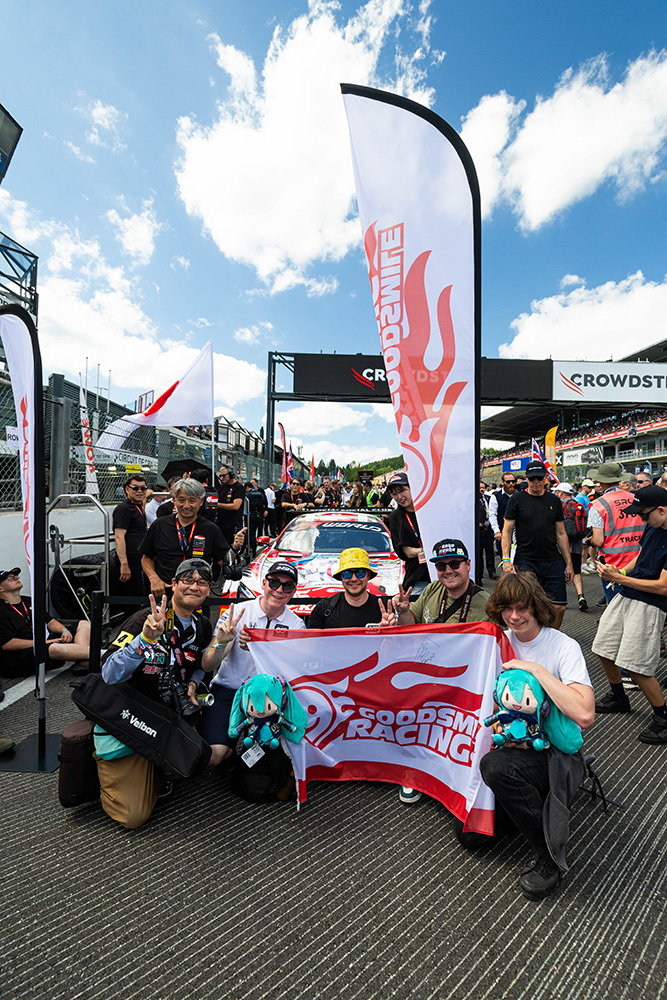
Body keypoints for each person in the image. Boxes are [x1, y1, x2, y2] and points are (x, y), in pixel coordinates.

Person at [481, 572, 595, 900]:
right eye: (507, 608)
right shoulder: (496, 642)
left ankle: (548, 855)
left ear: (536, 606)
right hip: (513, 744)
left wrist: (536, 670)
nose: (514, 616)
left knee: (496, 768)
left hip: (555, 752)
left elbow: (585, 713)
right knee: (470, 837)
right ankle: (520, 812)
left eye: (522, 608)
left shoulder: (562, 646)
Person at [95, 559, 215, 829]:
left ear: (209, 589)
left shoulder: (202, 625)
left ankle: (157, 770)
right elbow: (109, 673)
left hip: (168, 716)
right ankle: (108, 770)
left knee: (201, 757)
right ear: (173, 584)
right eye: (187, 580)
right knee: (133, 816)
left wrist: (193, 683)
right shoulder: (145, 619)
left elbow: (199, 666)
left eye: (202, 582)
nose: (194, 586)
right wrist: (145, 639)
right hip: (132, 718)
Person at [392, 537, 490, 806]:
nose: (448, 570)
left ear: (468, 564)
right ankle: (416, 771)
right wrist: (403, 611)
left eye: (454, 564)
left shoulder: (486, 603)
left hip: (466, 682)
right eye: (441, 566)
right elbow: (410, 625)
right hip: (428, 677)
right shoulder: (432, 590)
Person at [198, 561, 305, 766]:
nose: (279, 590)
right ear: (264, 583)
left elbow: (294, 671)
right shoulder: (238, 612)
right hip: (231, 690)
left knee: (266, 763)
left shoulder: (296, 625)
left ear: (293, 592)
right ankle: (229, 753)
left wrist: (264, 648)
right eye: (274, 582)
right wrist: (222, 642)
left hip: (270, 700)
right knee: (214, 755)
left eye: (287, 586)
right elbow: (207, 665)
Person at [592, 485, 667, 744]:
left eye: (644, 515)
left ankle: (663, 717)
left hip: (651, 602)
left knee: (636, 665)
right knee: (603, 646)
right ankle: (618, 696)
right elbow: (641, 555)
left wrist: (621, 579)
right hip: (629, 591)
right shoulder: (653, 526)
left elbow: (663, 587)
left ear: (661, 510)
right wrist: (621, 572)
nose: (641, 519)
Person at [140, 478, 244, 600]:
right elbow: (146, 558)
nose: (186, 505)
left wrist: (235, 547)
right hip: (165, 593)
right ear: (174, 500)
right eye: (181, 500)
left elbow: (223, 561)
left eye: (192, 500)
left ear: (201, 501)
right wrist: (154, 579)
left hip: (197, 594)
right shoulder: (160, 525)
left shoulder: (210, 528)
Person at [501, 460, 573, 630]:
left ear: (546, 478)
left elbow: (561, 533)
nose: (536, 482)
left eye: (539, 478)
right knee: (527, 606)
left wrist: (569, 563)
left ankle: (550, 638)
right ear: (526, 478)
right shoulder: (517, 499)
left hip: (552, 559)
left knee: (559, 607)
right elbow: (507, 531)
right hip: (526, 560)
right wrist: (505, 559)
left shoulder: (554, 500)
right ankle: (532, 637)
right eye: (532, 478)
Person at [0, 568, 90, 678]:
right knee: (54, 647)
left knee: (83, 624)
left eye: (15, 576)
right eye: (10, 578)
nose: (16, 578)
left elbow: (50, 621)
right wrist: (42, 643)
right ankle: (102, 654)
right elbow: (8, 644)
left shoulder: (29, 601)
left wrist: (64, 630)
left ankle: (83, 658)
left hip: (44, 642)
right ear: (0, 588)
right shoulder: (2, 610)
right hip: (20, 656)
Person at [586, 461, 645, 605]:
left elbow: (598, 540)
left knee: (616, 609)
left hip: (613, 566)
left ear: (601, 482)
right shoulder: (636, 499)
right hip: (640, 561)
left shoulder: (599, 504)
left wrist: (589, 541)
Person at [307, 548, 395, 629]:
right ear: (341, 577)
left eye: (360, 573)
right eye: (347, 574)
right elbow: (310, 639)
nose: (354, 579)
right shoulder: (323, 608)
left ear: (368, 575)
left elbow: (400, 637)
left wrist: (387, 631)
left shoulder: (385, 607)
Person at [387, 472, 430, 596]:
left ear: (412, 487)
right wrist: (430, 550)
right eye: (395, 494)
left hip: (442, 574)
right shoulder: (396, 517)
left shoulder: (428, 509)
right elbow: (407, 552)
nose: (399, 497)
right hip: (418, 579)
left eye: (402, 491)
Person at [111, 474, 148, 613]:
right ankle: (131, 624)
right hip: (130, 560)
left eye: (143, 488)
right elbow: (119, 537)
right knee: (132, 598)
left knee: (139, 593)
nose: (140, 491)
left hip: (139, 558)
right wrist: (124, 564)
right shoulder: (124, 509)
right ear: (127, 489)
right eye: (135, 488)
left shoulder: (138, 506)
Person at [553, 483, 588, 612]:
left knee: (561, 570)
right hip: (577, 543)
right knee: (576, 570)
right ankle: (580, 595)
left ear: (561, 493)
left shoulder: (558, 506)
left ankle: (562, 599)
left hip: (561, 544)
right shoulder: (578, 505)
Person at [488, 473, 516, 565]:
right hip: (503, 533)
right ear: (503, 482)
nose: (511, 484)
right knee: (506, 561)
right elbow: (492, 515)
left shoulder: (519, 496)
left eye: (513, 481)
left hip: (518, 534)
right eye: (508, 482)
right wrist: (496, 531)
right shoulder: (496, 496)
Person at [216, 465, 246, 547]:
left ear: (231, 474)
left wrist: (218, 505)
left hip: (232, 524)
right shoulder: (223, 486)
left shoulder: (238, 487)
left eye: (224, 476)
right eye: (220, 476)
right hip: (221, 523)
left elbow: (236, 506)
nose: (222, 478)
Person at [245, 479, 268, 557]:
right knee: (259, 530)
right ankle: (258, 545)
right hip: (259, 514)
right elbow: (264, 503)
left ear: (247, 487)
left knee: (251, 533)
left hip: (250, 515)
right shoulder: (260, 494)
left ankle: (252, 550)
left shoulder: (248, 495)